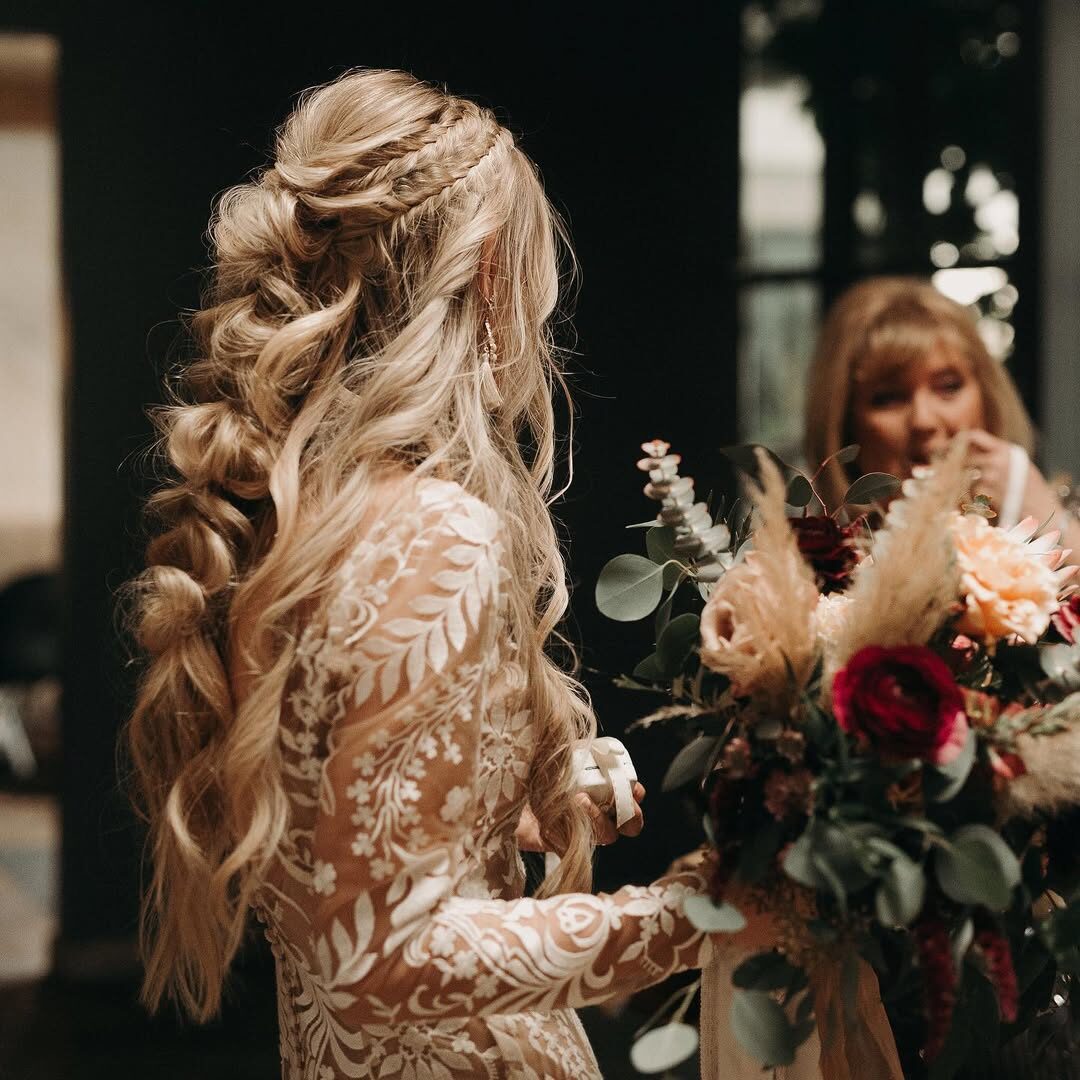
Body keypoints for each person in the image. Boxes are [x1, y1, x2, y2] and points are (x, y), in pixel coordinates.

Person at [125, 69, 716, 1080]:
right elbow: (385, 956)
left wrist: (513, 791)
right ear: (486, 276)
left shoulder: (287, 524)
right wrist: (693, 916)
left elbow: (332, 835)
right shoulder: (437, 534)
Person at [805, 276, 1080, 557]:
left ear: (987, 396)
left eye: (948, 387)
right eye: (888, 398)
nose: (924, 421)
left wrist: (1046, 519)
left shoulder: (1066, 516)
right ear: (845, 425)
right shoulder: (810, 574)